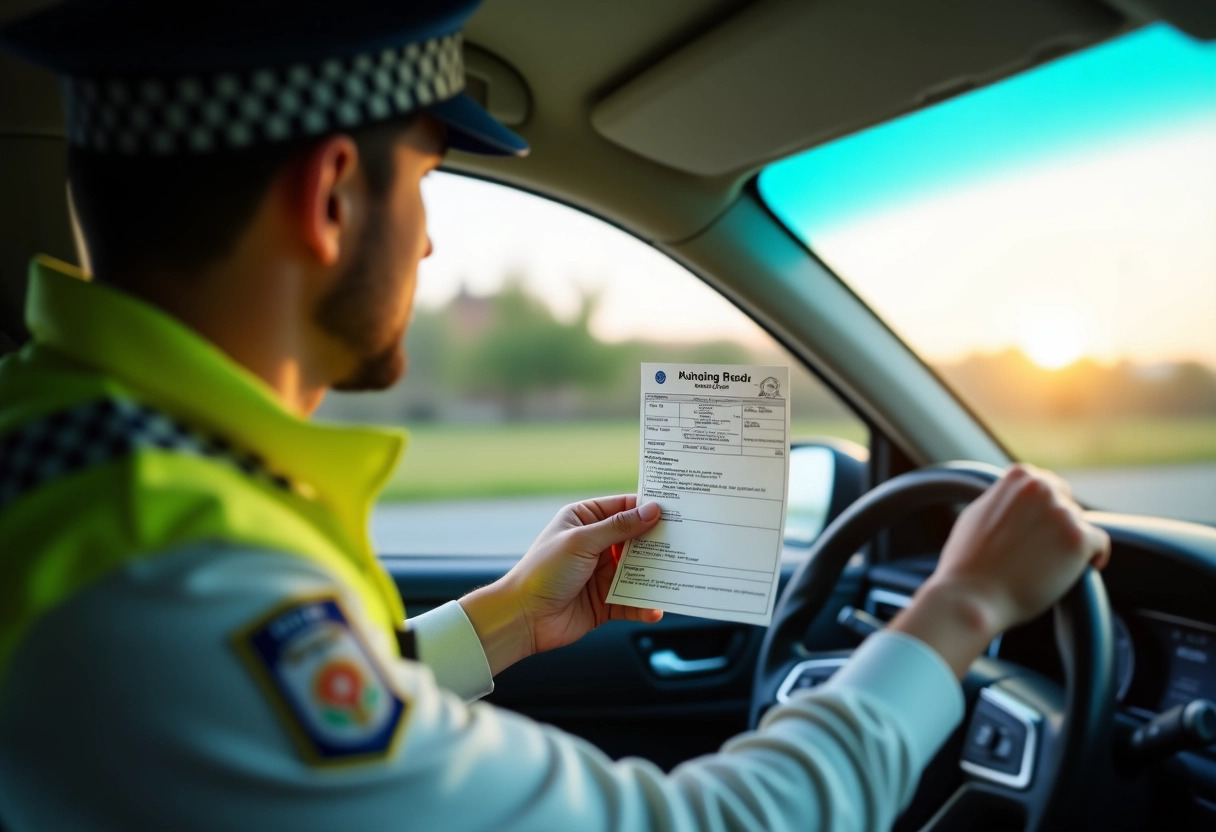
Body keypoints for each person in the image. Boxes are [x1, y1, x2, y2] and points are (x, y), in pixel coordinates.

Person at [0, 1, 1110, 830]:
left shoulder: (73, 465)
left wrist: (505, 622)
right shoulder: (165, 562)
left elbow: (247, 737)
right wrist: (962, 606)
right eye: (427, 179)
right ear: (331, 196)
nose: (429, 242)